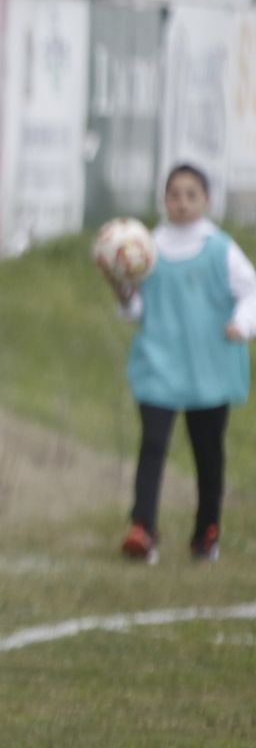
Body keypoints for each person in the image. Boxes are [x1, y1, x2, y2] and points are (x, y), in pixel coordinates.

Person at [107, 164, 256, 565]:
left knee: (208, 454)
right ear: (164, 199)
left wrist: (242, 322)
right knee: (152, 445)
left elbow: (251, 290)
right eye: (175, 194)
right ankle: (143, 527)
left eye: (192, 195)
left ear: (206, 200)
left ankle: (206, 532)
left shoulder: (220, 249)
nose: (182, 202)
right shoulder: (147, 248)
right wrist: (123, 292)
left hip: (208, 369)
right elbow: (136, 308)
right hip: (160, 365)